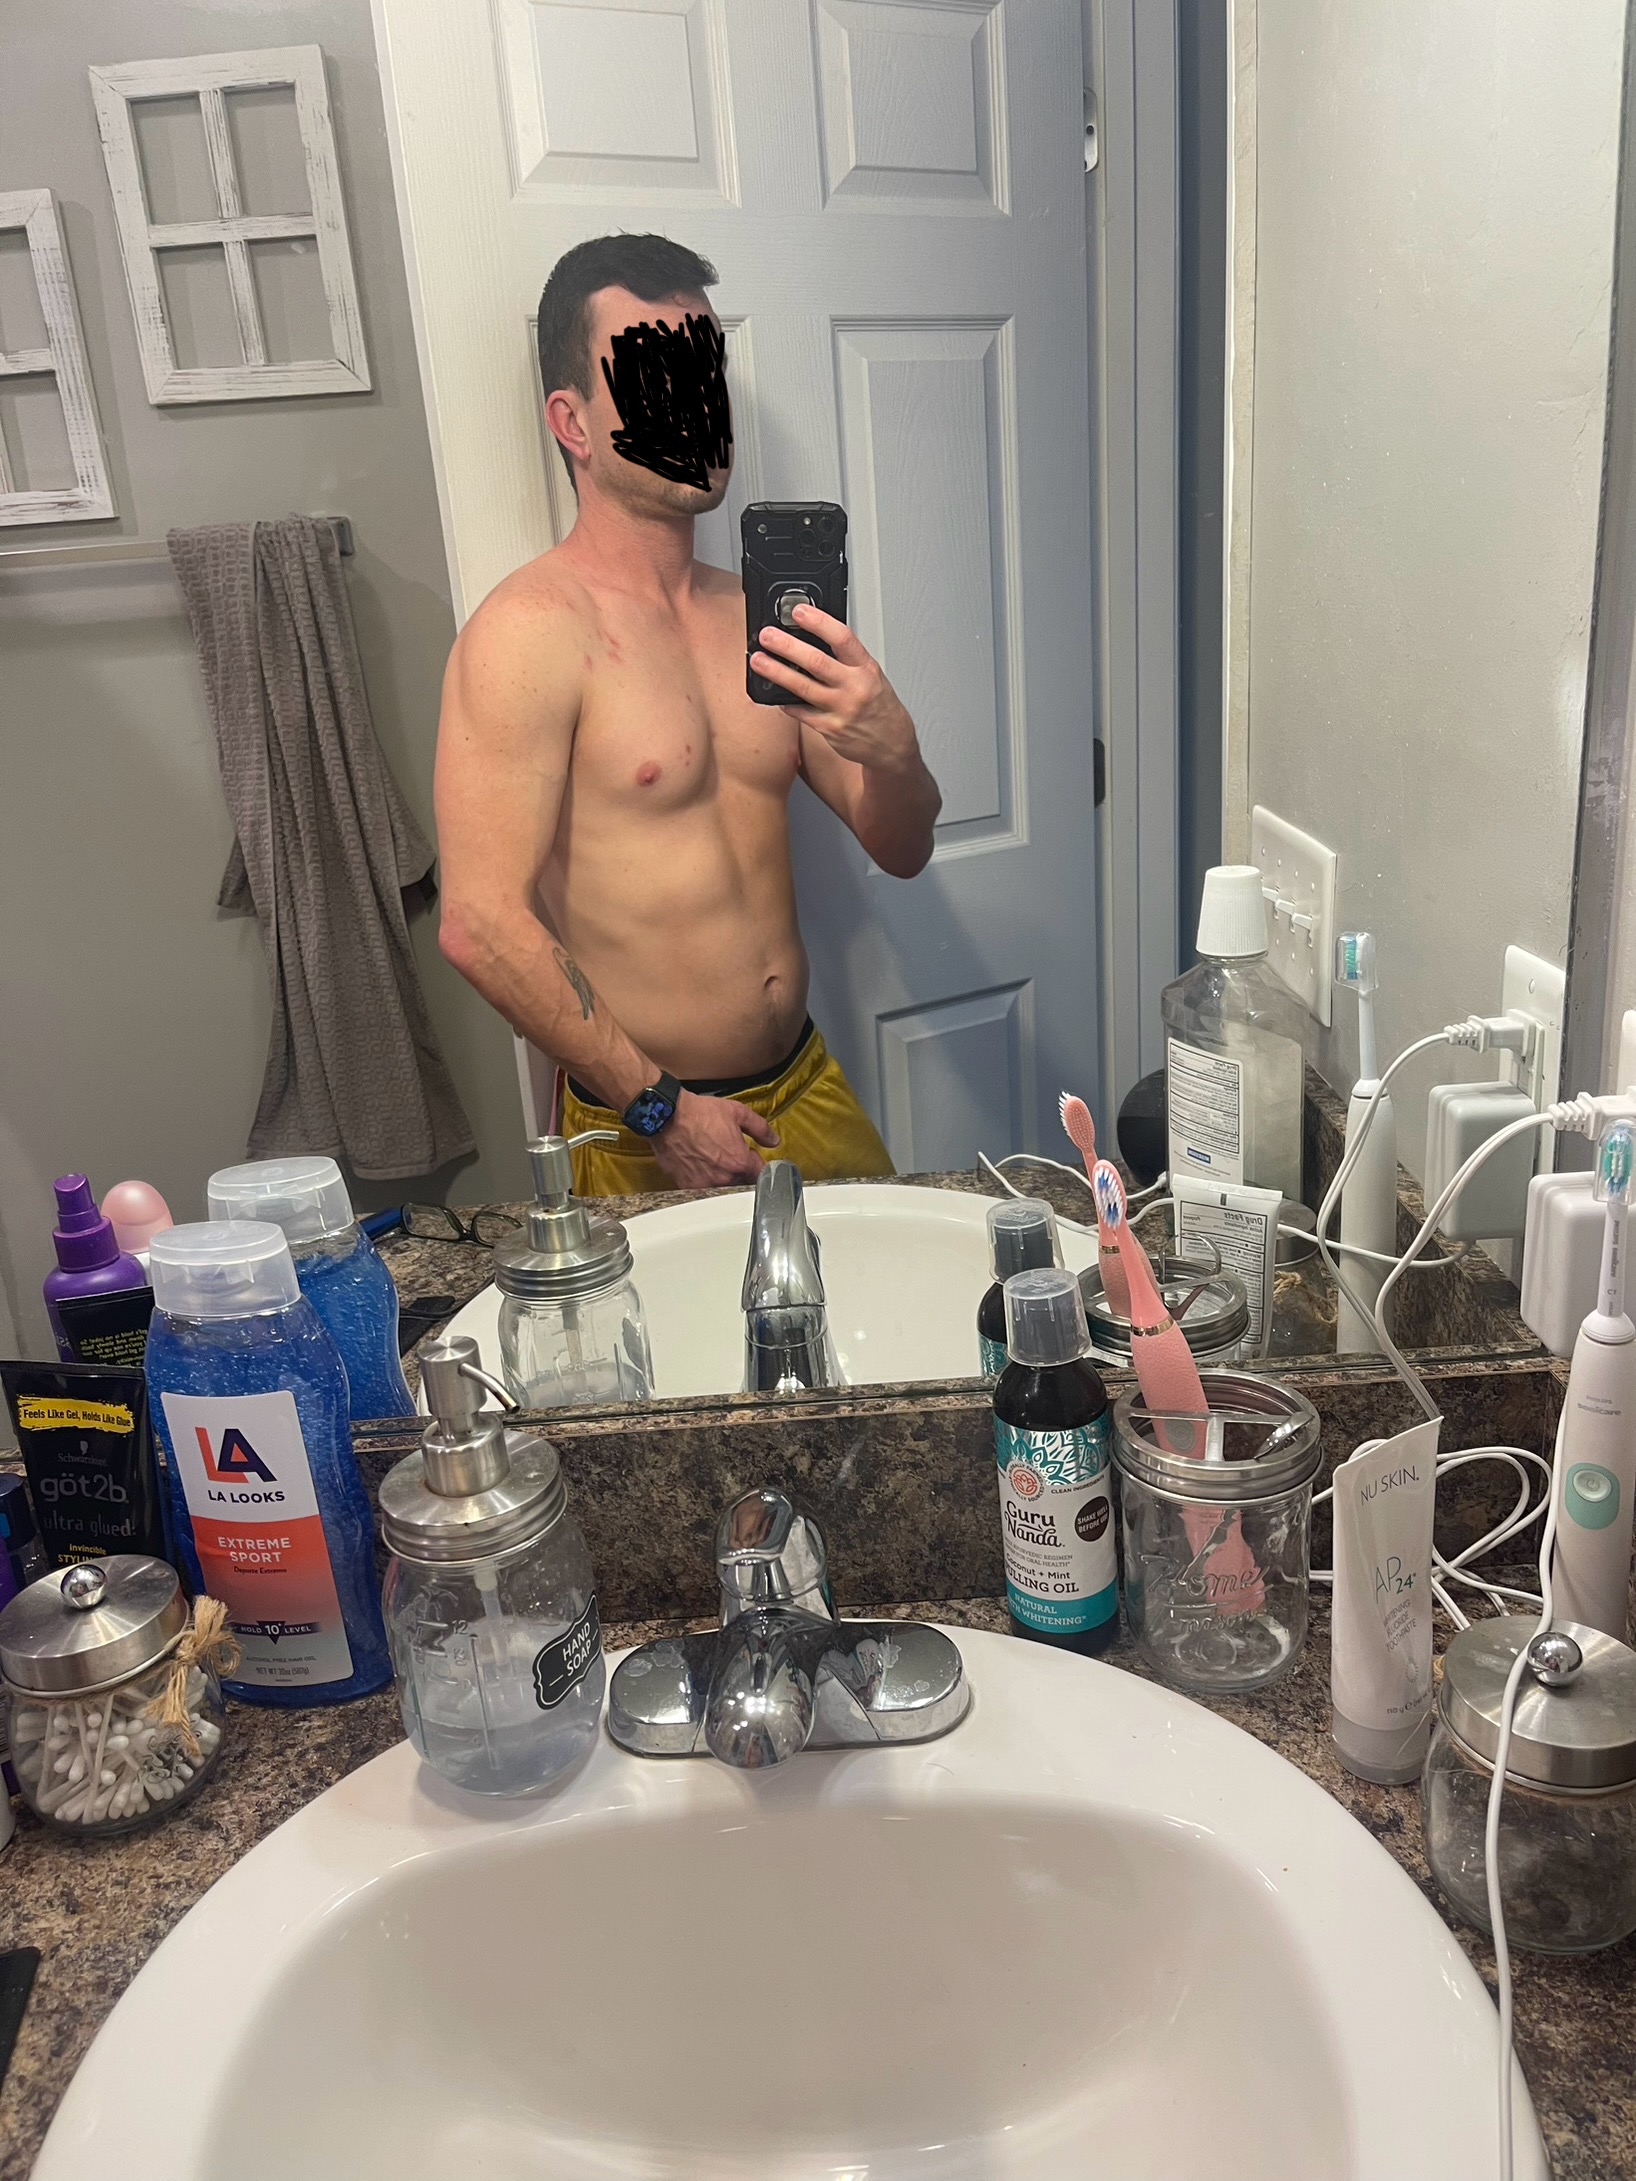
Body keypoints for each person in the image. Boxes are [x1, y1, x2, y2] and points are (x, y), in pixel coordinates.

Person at [434, 232, 942, 1195]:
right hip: (644, 1127)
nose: (697, 407)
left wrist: (895, 749)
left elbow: (903, 846)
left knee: (904, 1291)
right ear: (573, 422)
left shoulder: (763, 617)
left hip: (804, 1083)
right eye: (656, 378)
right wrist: (660, 1108)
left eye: (704, 374)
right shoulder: (528, 635)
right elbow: (479, 923)